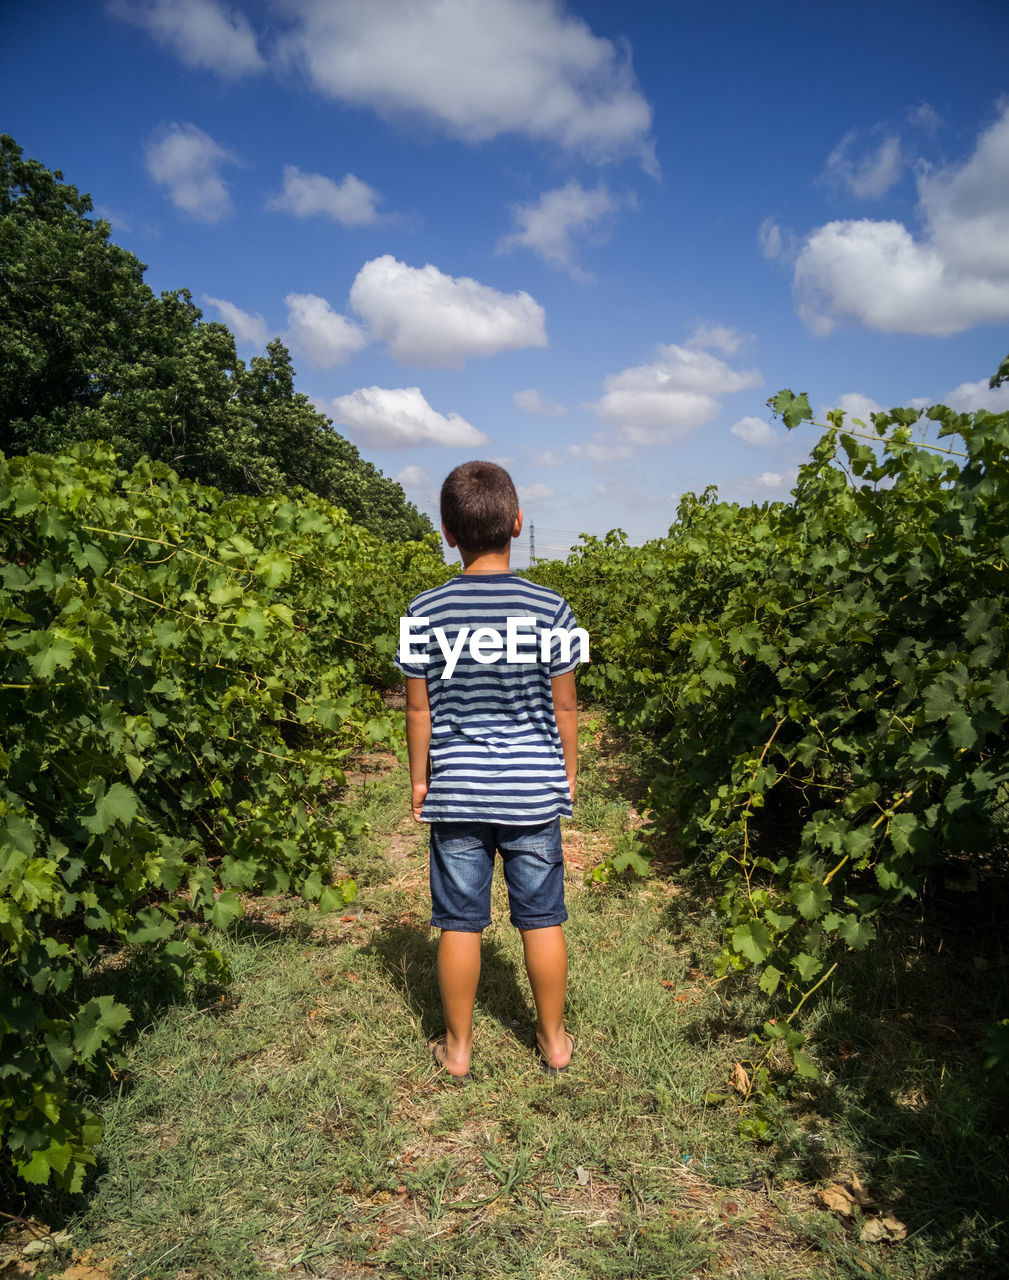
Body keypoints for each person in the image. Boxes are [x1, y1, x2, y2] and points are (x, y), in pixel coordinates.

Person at [395, 461, 586, 1082]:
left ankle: (457, 1051)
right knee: (542, 915)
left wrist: (421, 779)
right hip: (533, 788)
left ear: (447, 531)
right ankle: (554, 1042)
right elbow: (565, 704)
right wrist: (568, 771)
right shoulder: (552, 607)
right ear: (518, 522)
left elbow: (417, 708)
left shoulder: (423, 609)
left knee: (458, 920)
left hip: (456, 789)